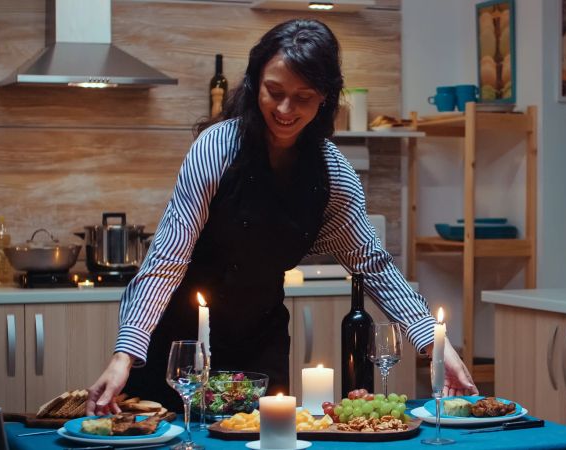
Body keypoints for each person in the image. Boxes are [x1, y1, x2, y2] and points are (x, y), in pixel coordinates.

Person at [86, 19, 477, 415]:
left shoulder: (334, 176)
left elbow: (372, 264)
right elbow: (167, 259)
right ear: (256, 82)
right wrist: (125, 354)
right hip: (178, 344)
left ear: (325, 98)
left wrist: (435, 344)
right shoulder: (217, 149)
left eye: (303, 97)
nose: (286, 109)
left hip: (260, 342)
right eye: (275, 92)